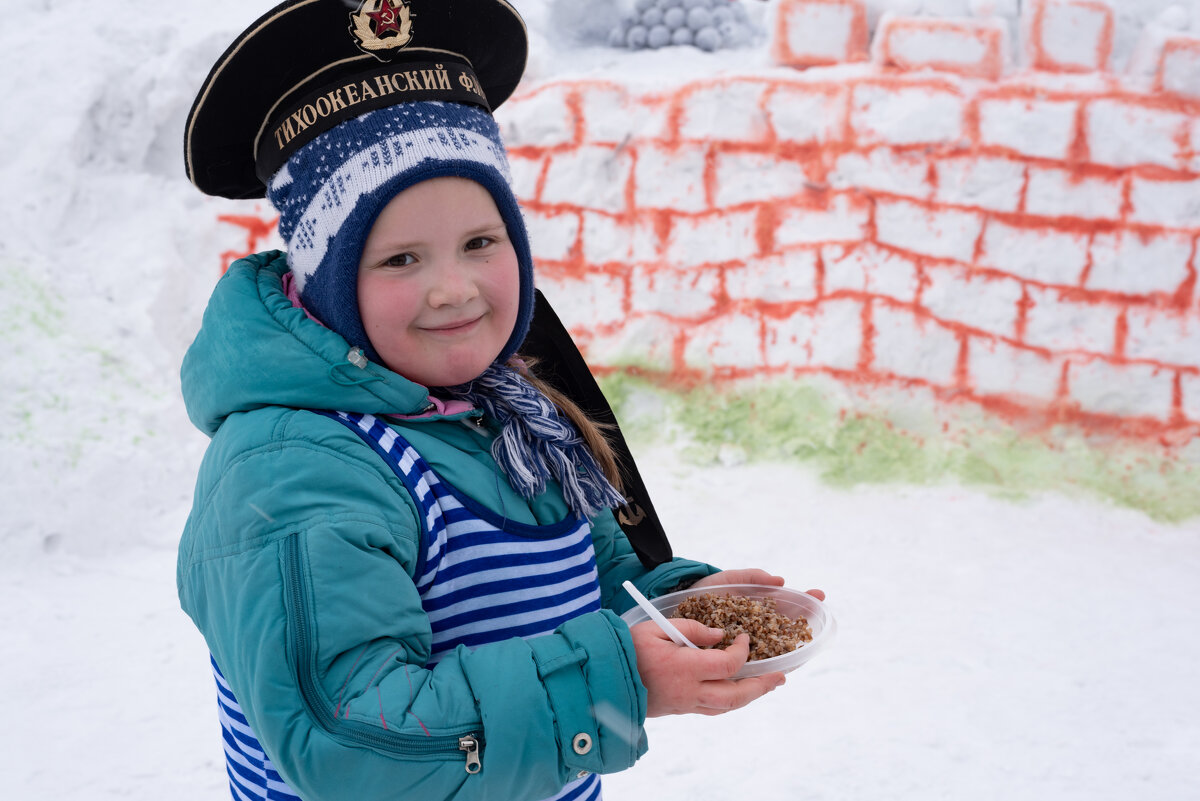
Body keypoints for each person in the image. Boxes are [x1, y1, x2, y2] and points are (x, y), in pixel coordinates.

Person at [178, 2, 823, 800]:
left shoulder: (509, 413)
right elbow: (348, 739)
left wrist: (680, 607)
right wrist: (617, 679)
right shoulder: (292, 469)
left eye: (480, 243)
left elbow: (595, 576)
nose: (453, 288)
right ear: (327, 282)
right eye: (400, 257)